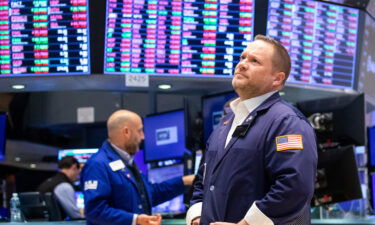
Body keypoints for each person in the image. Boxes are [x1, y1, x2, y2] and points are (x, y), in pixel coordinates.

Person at [186, 35, 317, 225]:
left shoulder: (287, 122)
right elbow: (202, 180)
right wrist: (197, 217)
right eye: (242, 58)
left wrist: (247, 224)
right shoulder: (226, 122)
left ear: (277, 79)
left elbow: (294, 186)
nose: (242, 64)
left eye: (254, 61)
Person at [81, 110, 195, 225]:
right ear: (126, 132)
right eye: (140, 131)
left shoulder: (127, 163)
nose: (143, 137)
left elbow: (151, 194)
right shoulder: (98, 164)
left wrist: (184, 181)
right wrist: (136, 220)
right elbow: (95, 211)